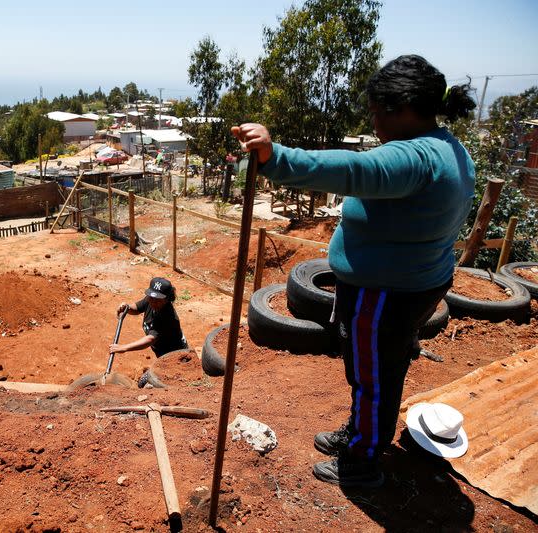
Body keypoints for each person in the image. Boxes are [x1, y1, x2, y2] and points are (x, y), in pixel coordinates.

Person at [232, 55, 477, 488]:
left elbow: (354, 169)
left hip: (384, 292)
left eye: (377, 110)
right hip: (414, 282)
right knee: (379, 367)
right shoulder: (448, 147)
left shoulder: (415, 159)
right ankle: (361, 432)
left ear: (402, 109)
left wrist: (276, 157)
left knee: (372, 376)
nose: (372, 118)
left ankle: (363, 461)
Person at [111, 277, 187, 358]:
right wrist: (127, 308)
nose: (153, 302)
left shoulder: (168, 317)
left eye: (158, 299)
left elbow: (150, 339)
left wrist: (124, 347)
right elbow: (137, 308)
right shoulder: (150, 300)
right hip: (162, 353)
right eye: (151, 297)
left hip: (175, 356)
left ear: (167, 299)